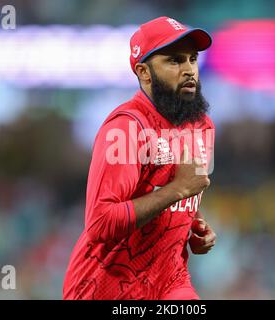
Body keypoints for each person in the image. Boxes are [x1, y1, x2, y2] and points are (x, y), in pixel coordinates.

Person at [63, 16, 217, 300]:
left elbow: (184, 190)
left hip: (170, 280)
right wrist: (178, 190)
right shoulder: (126, 128)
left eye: (192, 59)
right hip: (106, 286)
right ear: (144, 73)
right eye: (174, 61)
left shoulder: (202, 125)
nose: (189, 70)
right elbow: (100, 224)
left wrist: (195, 223)